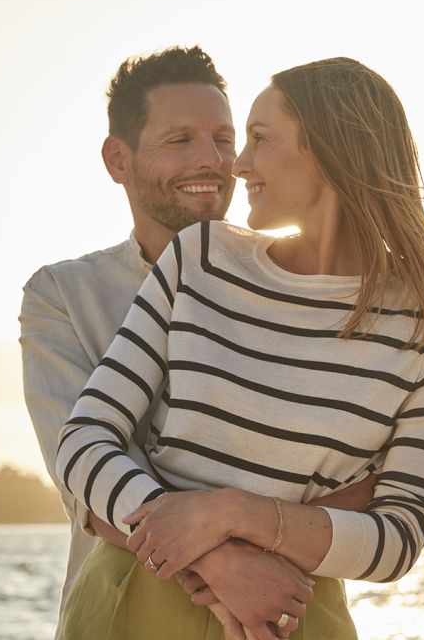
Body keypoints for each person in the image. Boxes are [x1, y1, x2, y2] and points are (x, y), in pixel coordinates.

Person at [54, 56, 424, 640]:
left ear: (330, 152)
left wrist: (232, 513)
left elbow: (401, 533)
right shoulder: (200, 258)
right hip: (133, 603)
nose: (238, 166)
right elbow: (84, 440)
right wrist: (209, 556)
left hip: (290, 618)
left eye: (259, 139)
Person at [21, 46, 369, 639]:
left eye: (225, 139)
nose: (214, 162)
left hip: (286, 615)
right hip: (123, 607)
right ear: (117, 159)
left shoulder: (308, 285)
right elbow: (81, 470)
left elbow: (359, 483)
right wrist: (223, 562)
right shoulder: (63, 294)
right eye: (179, 140)